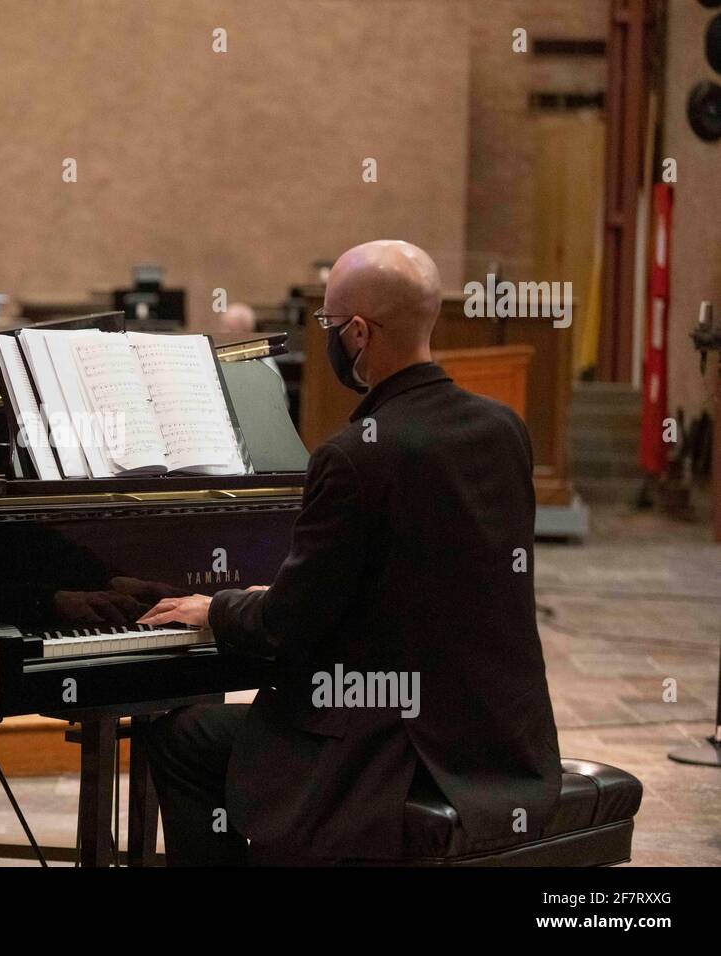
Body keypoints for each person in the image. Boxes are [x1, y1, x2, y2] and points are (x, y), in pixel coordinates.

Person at [138, 240, 563, 865]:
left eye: (331, 327)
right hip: (497, 740)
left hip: (392, 747)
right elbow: (420, 583)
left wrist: (220, 608)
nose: (331, 338)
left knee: (182, 735)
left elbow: (287, 629)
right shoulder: (503, 430)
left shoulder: (354, 454)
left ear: (359, 332)